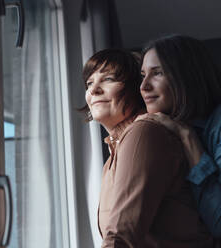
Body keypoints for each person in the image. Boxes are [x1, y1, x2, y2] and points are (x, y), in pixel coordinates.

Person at [81, 48, 214, 247]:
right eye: (89, 83)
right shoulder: (112, 158)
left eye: (108, 79)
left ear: (137, 88)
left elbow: (121, 235)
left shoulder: (144, 132)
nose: (94, 90)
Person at [137, 34, 221, 248]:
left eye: (157, 73)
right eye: (143, 75)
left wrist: (186, 136)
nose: (144, 86)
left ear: (185, 75)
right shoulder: (162, 129)